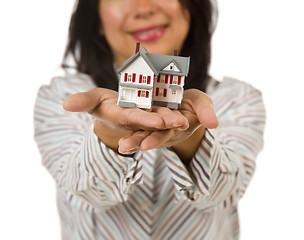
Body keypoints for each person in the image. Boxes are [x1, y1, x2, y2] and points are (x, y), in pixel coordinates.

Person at [34, 0, 266, 239]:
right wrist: (111, 131)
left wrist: (191, 135)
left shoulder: (237, 98)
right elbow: (85, 190)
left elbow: (225, 191)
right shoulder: (63, 96)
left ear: (192, 8)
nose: (144, 8)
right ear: (96, 18)